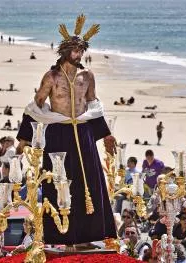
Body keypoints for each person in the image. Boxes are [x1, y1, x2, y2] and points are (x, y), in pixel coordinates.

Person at [15, 14, 117, 250]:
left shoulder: (87, 76)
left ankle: (86, 236)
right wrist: (25, 138)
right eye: (75, 50)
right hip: (58, 134)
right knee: (58, 182)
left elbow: (93, 106)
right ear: (65, 50)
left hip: (83, 133)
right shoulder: (51, 77)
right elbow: (37, 105)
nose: (79, 54)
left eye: (82, 50)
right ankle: (59, 237)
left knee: (89, 181)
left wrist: (107, 134)